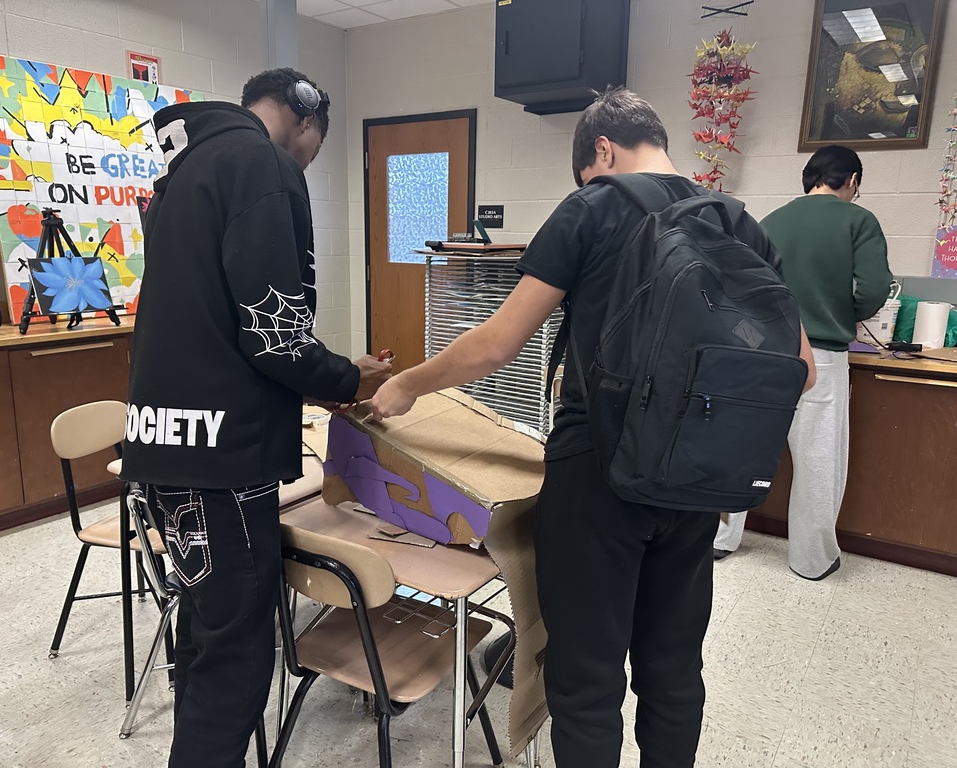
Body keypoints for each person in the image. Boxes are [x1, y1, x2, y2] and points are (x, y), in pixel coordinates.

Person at [371, 87, 815, 767]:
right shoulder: (739, 224)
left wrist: (405, 384)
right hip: (696, 478)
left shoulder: (594, 205)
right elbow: (802, 370)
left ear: (601, 150)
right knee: (672, 671)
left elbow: (497, 345)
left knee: (586, 681)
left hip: (599, 473)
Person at [120, 68, 392, 767]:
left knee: (207, 639)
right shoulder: (260, 164)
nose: (306, 162)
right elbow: (273, 335)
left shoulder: (188, 173)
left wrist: (326, 378)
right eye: (314, 147)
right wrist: (345, 377)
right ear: (304, 117)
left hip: (167, 446)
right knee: (237, 663)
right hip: (223, 459)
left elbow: (220, 328)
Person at [713, 145, 891, 579]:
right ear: (851, 180)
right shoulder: (858, 220)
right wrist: (837, 311)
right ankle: (812, 560)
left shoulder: (768, 222)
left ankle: (718, 539)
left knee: (743, 449)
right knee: (818, 460)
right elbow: (872, 292)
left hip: (760, 354)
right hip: (824, 357)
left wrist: (756, 338)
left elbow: (735, 290)